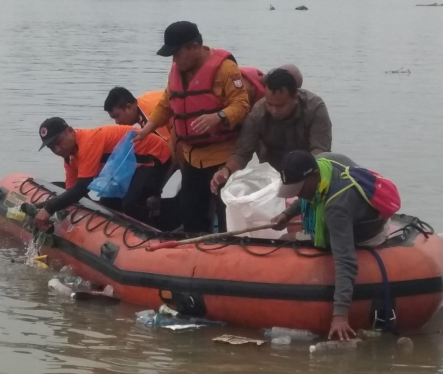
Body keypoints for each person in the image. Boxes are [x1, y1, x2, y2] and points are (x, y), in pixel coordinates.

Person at [133, 21, 250, 233]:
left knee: (225, 212)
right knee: (190, 211)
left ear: (194, 46)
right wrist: (147, 128)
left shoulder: (225, 69)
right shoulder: (177, 70)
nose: (174, 60)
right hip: (191, 157)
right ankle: (195, 256)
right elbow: (166, 103)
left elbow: (241, 104)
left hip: (221, 157)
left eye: (177, 54)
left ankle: (228, 251)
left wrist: (219, 116)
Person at [271, 151, 401, 340]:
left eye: (299, 189)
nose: (297, 194)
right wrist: (288, 214)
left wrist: (340, 315)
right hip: (363, 213)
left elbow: (346, 261)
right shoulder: (327, 161)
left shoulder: (336, 209)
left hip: (368, 234)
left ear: (314, 176)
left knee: (286, 239)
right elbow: (307, 198)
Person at [33, 117, 171, 229]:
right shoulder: (69, 158)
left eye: (59, 141)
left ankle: (156, 233)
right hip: (128, 166)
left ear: (70, 131)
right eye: (52, 148)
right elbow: (71, 190)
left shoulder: (88, 142)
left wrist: (49, 208)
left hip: (155, 157)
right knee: (107, 206)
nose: (57, 149)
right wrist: (48, 205)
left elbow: (81, 187)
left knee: (130, 204)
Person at [210, 68, 331, 193]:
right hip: (273, 176)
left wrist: (305, 179)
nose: (274, 110)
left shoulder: (315, 108)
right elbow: (243, 152)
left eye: (280, 105)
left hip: (309, 173)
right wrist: (226, 170)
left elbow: (321, 150)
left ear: (295, 97)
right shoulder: (258, 113)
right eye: (269, 104)